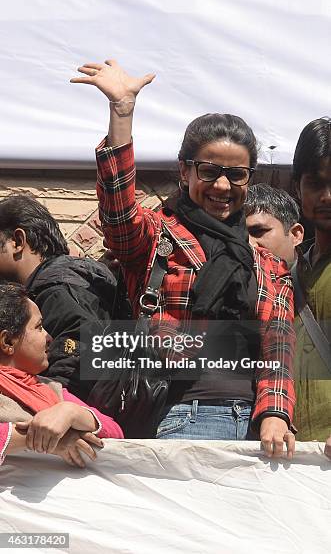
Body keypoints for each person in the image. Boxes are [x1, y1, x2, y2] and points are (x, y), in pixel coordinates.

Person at [71, 59, 296, 458]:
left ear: (249, 178)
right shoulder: (159, 236)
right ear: (185, 171)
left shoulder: (268, 264)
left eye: (237, 174)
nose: (223, 185)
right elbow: (119, 216)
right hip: (183, 414)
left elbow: (276, 348)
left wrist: (276, 413)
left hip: (256, 429)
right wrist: (122, 113)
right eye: (209, 171)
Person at [0, 195, 118, 401]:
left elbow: (77, 360)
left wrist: (50, 406)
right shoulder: (70, 280)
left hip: (70, 420)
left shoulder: (57, 290)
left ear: (18, 241)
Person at [0, 283, 123, 467]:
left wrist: (71, 412)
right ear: (8, 341)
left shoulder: (51, 389)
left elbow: (116, 434)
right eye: (39, 327)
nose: (49, 337)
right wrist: (43, 440)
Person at [292, 118, 331, 457]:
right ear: (298, 189)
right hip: (290, 460)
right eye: (316, 183)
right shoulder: (292, 270)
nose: (327, 196)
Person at [245, 184, 304, 266]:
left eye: (259, 231)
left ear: (295, 235)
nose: (250, 244)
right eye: (241, 236)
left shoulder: (320, 275)